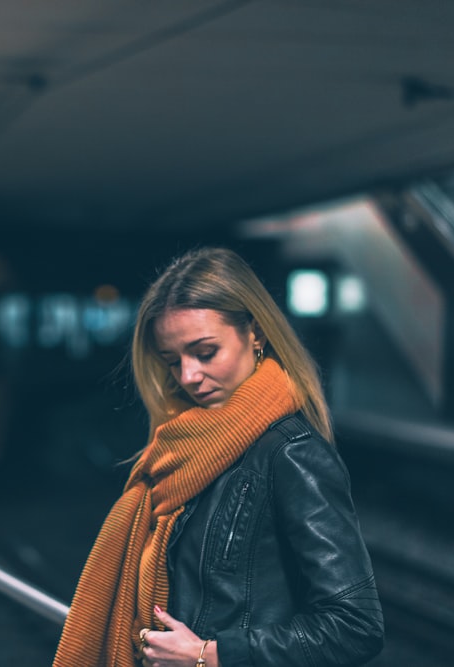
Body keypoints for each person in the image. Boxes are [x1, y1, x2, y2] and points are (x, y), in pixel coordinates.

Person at [53, 247, 384, 666]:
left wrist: (211, 655)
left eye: (205, 352)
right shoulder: (180, 447)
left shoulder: (291, 454)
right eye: (172, 361)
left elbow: (355, 627)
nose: (189, 376)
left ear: (256, 333)